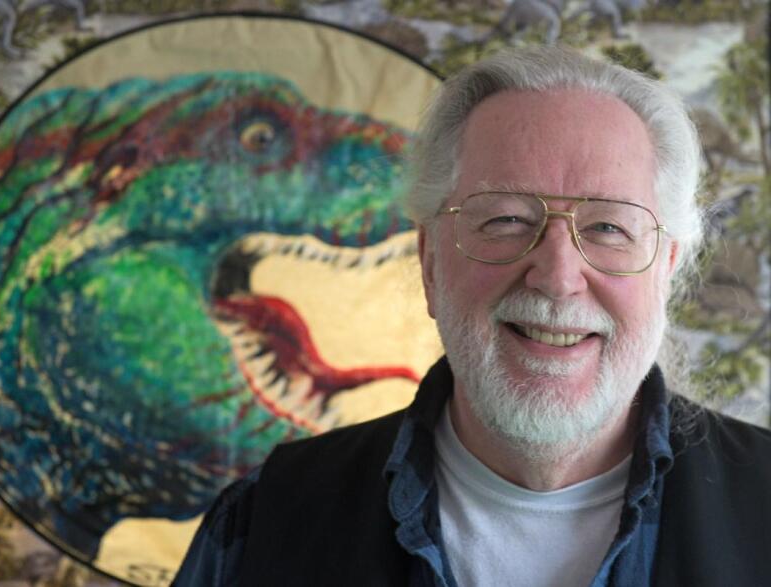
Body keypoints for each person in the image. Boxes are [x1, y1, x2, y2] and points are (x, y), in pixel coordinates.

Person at [173, 46, 771, 586]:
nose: (558, 276)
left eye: (610, 228)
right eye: (505, 219)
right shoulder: (264, 522)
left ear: (665, 270)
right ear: (430, 261)